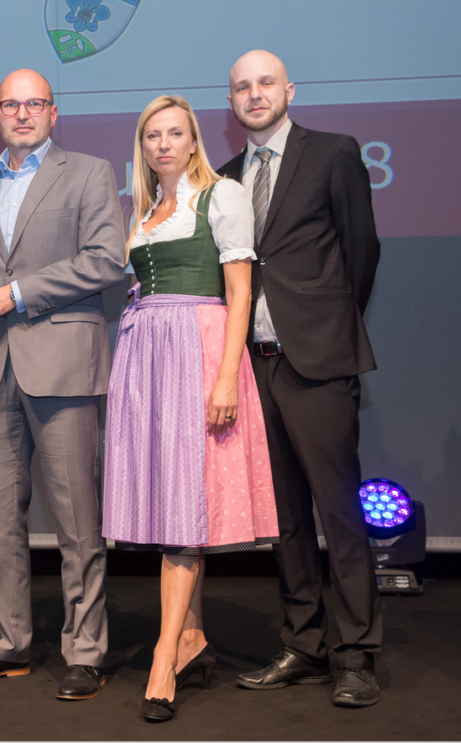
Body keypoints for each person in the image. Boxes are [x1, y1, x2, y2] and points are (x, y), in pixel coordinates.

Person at [0, 69, 126, 701]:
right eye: (11, 105)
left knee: (77, 521)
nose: (22, 114)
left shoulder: (90, 172)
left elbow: (106, 259)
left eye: (34, 104)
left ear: (53, 113)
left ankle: (85, 651)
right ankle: (8, 642)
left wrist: (17, 293)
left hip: (63, 365)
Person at [101, 95, 278, 721]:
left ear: (195, 140)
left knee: (183, 504)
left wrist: (227, 377)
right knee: (170, 498)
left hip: (197, 351)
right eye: (153, 135)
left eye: (175, 133)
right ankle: (192, 637)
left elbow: (240, 291)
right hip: (148, 355)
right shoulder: (145, 208)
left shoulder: (220, 196)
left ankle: (162, 658)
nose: (164, 144)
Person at [217, 50, 383, 708]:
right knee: (284, 518)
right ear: (231, 101)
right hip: (255, 368)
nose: (255, 94)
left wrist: (326, 329)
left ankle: (356, 653)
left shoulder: (334, 152)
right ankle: (304, 644)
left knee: (339, 513)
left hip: (319, 362)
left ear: (289, 90)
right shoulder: (225, 178)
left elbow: (362, 251)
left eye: (265, 83)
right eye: (242, 87)